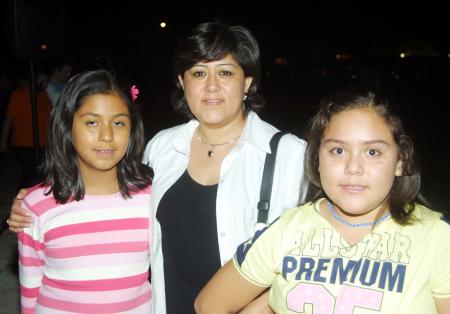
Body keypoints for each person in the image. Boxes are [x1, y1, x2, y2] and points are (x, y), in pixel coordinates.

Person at [7, 22, 307, 314]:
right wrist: (34, 201)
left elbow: (315, 251)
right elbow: (109, 193)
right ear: (182, 82)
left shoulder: (289, 155)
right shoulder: (162, 148)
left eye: (226, 72)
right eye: (199, 73)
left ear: (248, 83)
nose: (212, 86)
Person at [194, 90, 450, 313]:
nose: (353, 168)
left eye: (373, 152)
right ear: (317, 159)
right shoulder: (287, 229)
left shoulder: (437, 238)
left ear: (400, 162)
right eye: (338, 151)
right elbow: (210, 304)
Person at [17, 69, 153, 313]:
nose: (106, 136)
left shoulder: (152, 198)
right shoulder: (35, 205)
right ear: (67, 127)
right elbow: (30, 283)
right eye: (92, 122)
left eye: (119, 123)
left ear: (132, 130)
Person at [0, 70, 52, 188]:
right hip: (24, 143)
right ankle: (22, 200)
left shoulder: (43, 94)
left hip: (43, 141)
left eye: (47, 81)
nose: (45, 84)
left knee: (38, 174)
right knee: (30, 175)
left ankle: (32, 198)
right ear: (34, 80)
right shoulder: (19, 95)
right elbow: (9, 120)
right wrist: (3, 142)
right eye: (43, 81)